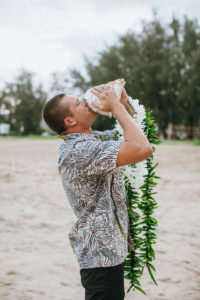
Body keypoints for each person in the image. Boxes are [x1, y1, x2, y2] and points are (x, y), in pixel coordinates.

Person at [42, 85, 153, 300]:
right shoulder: (78, 151)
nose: (86, 101)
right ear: (70, 121)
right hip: (100, 253)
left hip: (109, 249)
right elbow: (142, 149)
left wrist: (124, 101)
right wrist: (116, 107)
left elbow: (138, 132)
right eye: (79, 103)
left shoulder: (95, 140)